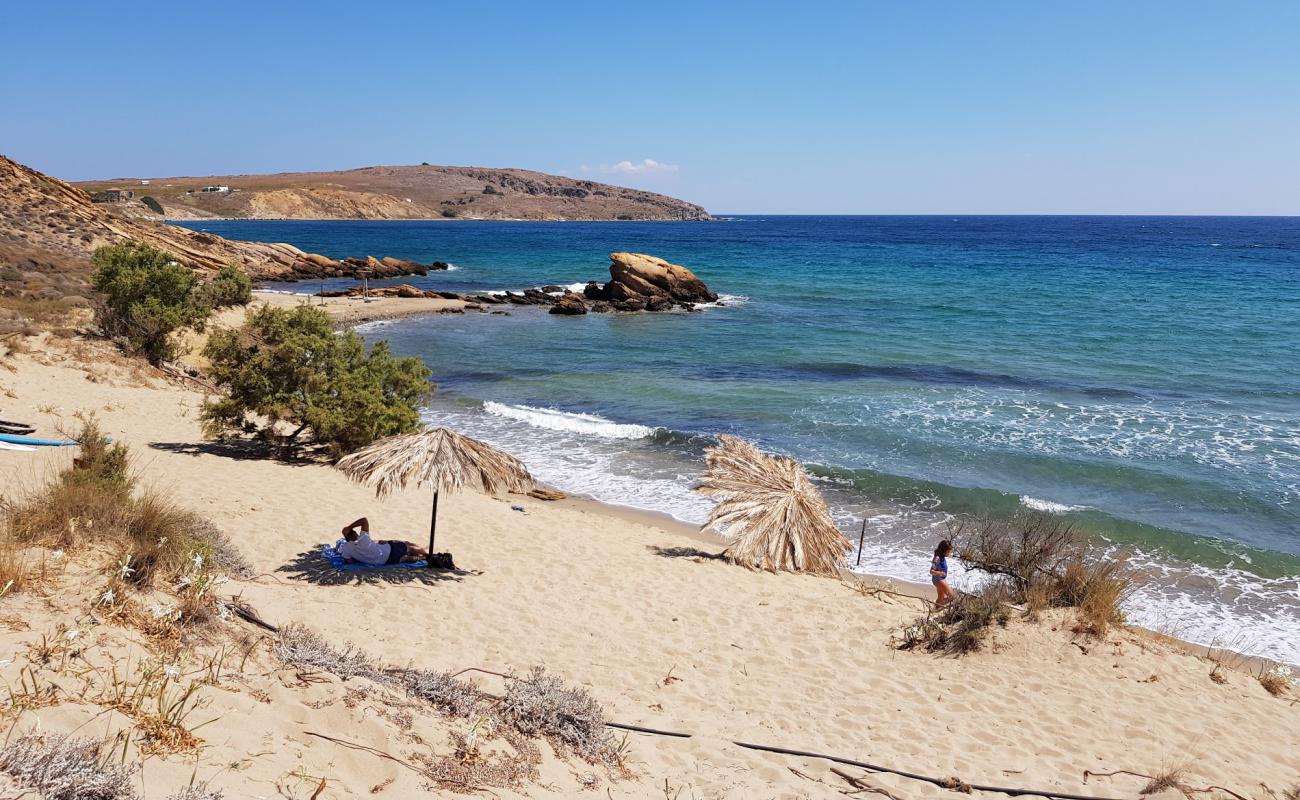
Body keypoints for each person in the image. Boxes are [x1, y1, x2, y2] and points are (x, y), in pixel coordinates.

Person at [338, 517, 428, 565]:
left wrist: (361, 557)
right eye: (354, 532)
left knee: (405, 556)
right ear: (354, 533)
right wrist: (349, 527)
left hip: (387, 561)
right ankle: (425, 552)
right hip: (390, 551)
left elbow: (349, 562)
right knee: (407, 546)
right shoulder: (363, 539)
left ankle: (413, 557)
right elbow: (364, 520)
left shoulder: (346, 548)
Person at [930, 539, 954, 609]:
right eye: (948, 551)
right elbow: (931, 571)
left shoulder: (942, 557)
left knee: (941, 597)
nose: (949, 553)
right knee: (952, 596)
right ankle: (939, 607)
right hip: (938, 580)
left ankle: (935, 609)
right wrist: (940, 572)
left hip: (941, 579)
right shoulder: (937, 558)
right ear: (944, 551)